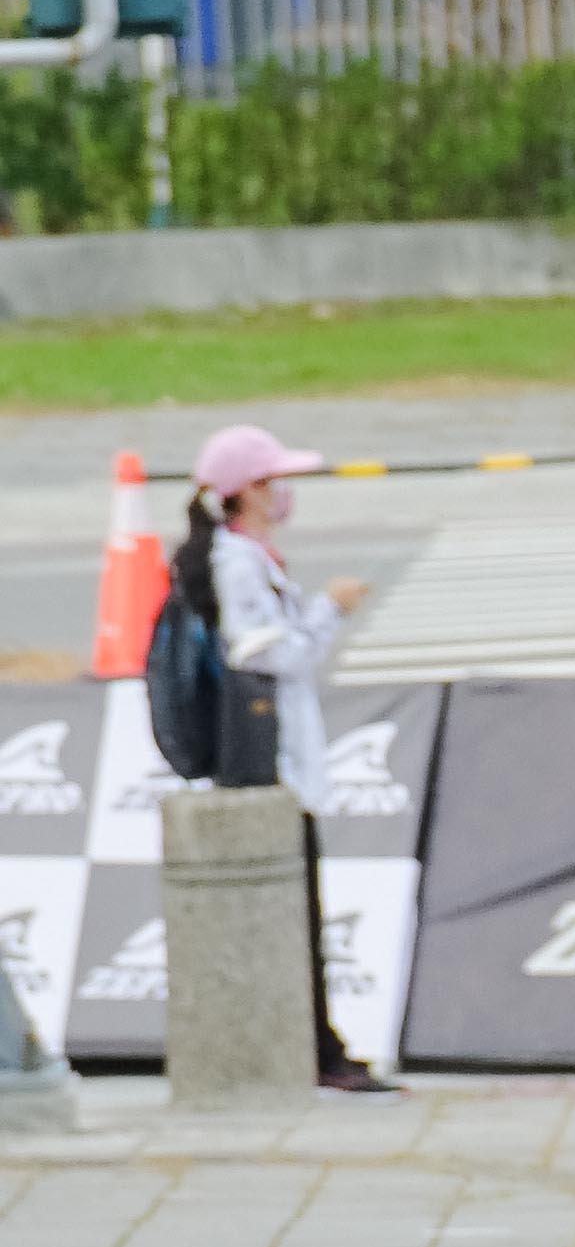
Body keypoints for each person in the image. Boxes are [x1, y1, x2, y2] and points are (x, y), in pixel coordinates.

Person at [180, 421, 380, 1090]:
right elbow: (270, 654)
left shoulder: (246, 558)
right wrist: (330, 610)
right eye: (273, 482)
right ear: (248, 491)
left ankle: (318, 1046)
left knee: (300, 914)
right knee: (296, 917)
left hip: (282, 758)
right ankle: (319, 1052)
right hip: (273, 763)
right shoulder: (237, 563)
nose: (284, 494)